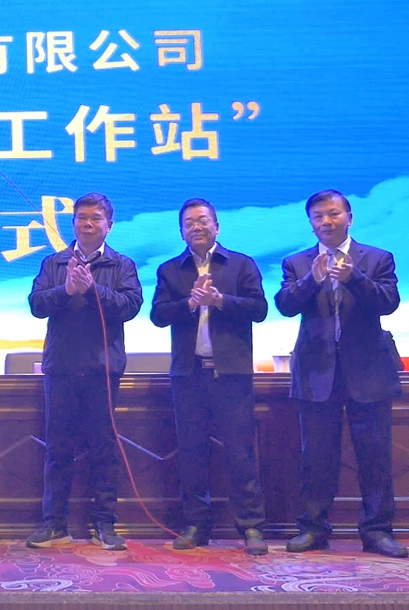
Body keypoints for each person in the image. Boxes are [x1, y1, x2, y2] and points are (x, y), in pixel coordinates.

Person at [275, 189, 407, 558]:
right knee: (316, 458)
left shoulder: (377, 258)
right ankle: (313, 529)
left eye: (333, 214)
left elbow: (389, 302)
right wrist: (311, 280)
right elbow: (284, 305)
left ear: (349, 217)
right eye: (318, 216)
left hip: (368, 372)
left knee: (375, 456)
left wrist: (354, 278)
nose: (326, 222)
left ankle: (377, 532)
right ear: (311, 223)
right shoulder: (297, 263)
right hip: (316, 374)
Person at [25, 193, 143, 550]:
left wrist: (93, 290)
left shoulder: (122, 264)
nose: (87, 224)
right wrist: (66, 290)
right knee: (57, 450)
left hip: (102, 371)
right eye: (81, 217)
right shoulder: (54, 262)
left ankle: (105, 524)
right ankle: (54, 524)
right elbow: (36, 305)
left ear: (109, 225)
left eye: (95, 218)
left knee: (103, 449)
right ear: (73, 222)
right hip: (61, 369)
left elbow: (130, 306)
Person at [150, 199, 268, 556]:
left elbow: (260, 309)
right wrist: (190, 303)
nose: (196, 227)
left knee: (241, 453)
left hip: (232, 375)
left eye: (203, 220)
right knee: (191, 453)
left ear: (217, 226)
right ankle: (196, 525)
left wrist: (220, 301)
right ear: (181, 231)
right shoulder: (170, 270)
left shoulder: (241, 264)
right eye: (189, 223)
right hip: (188, 375)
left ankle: (250, 526)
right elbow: (158, 315)